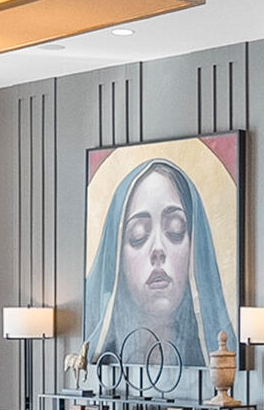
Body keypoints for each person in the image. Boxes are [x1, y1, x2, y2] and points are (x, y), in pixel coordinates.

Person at [84, 158, 236, 368]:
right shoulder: (104, 365)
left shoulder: (220, 363)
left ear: (194, 248)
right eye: (138, 236)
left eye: (175, 230)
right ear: (117, 260)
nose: (158, 249)